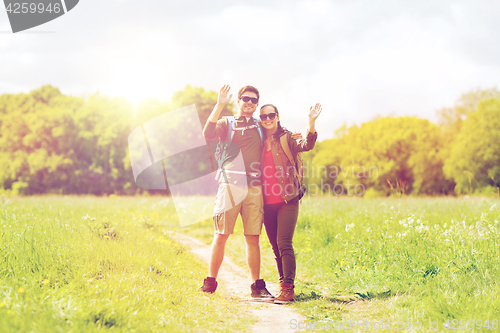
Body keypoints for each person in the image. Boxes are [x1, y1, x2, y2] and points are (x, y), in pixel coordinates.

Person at [201, 85, 274, 299]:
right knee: (221, 234)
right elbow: (207, 133)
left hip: (254, 187)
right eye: (246, 99)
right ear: (239, 100)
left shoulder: (261, 125)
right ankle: (210, 282)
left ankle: (256, 286)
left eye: (254, 100)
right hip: (230, 185)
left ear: (257, 103)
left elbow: (279, 135)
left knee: (253, 237)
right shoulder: (228, 123)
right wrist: (220, 104)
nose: (249, 103)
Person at [258, 102, 322, 303]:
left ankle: (288, 288)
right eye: (264, 117)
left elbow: (307, 145)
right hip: (266, 202)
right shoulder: (258, 141)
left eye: (271, 115)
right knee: (275, 247)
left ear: (277, 116)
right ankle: (282, 285)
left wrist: (310, 122)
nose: (267, 119)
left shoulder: (287, 138)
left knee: (284, 243)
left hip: (287, 199)